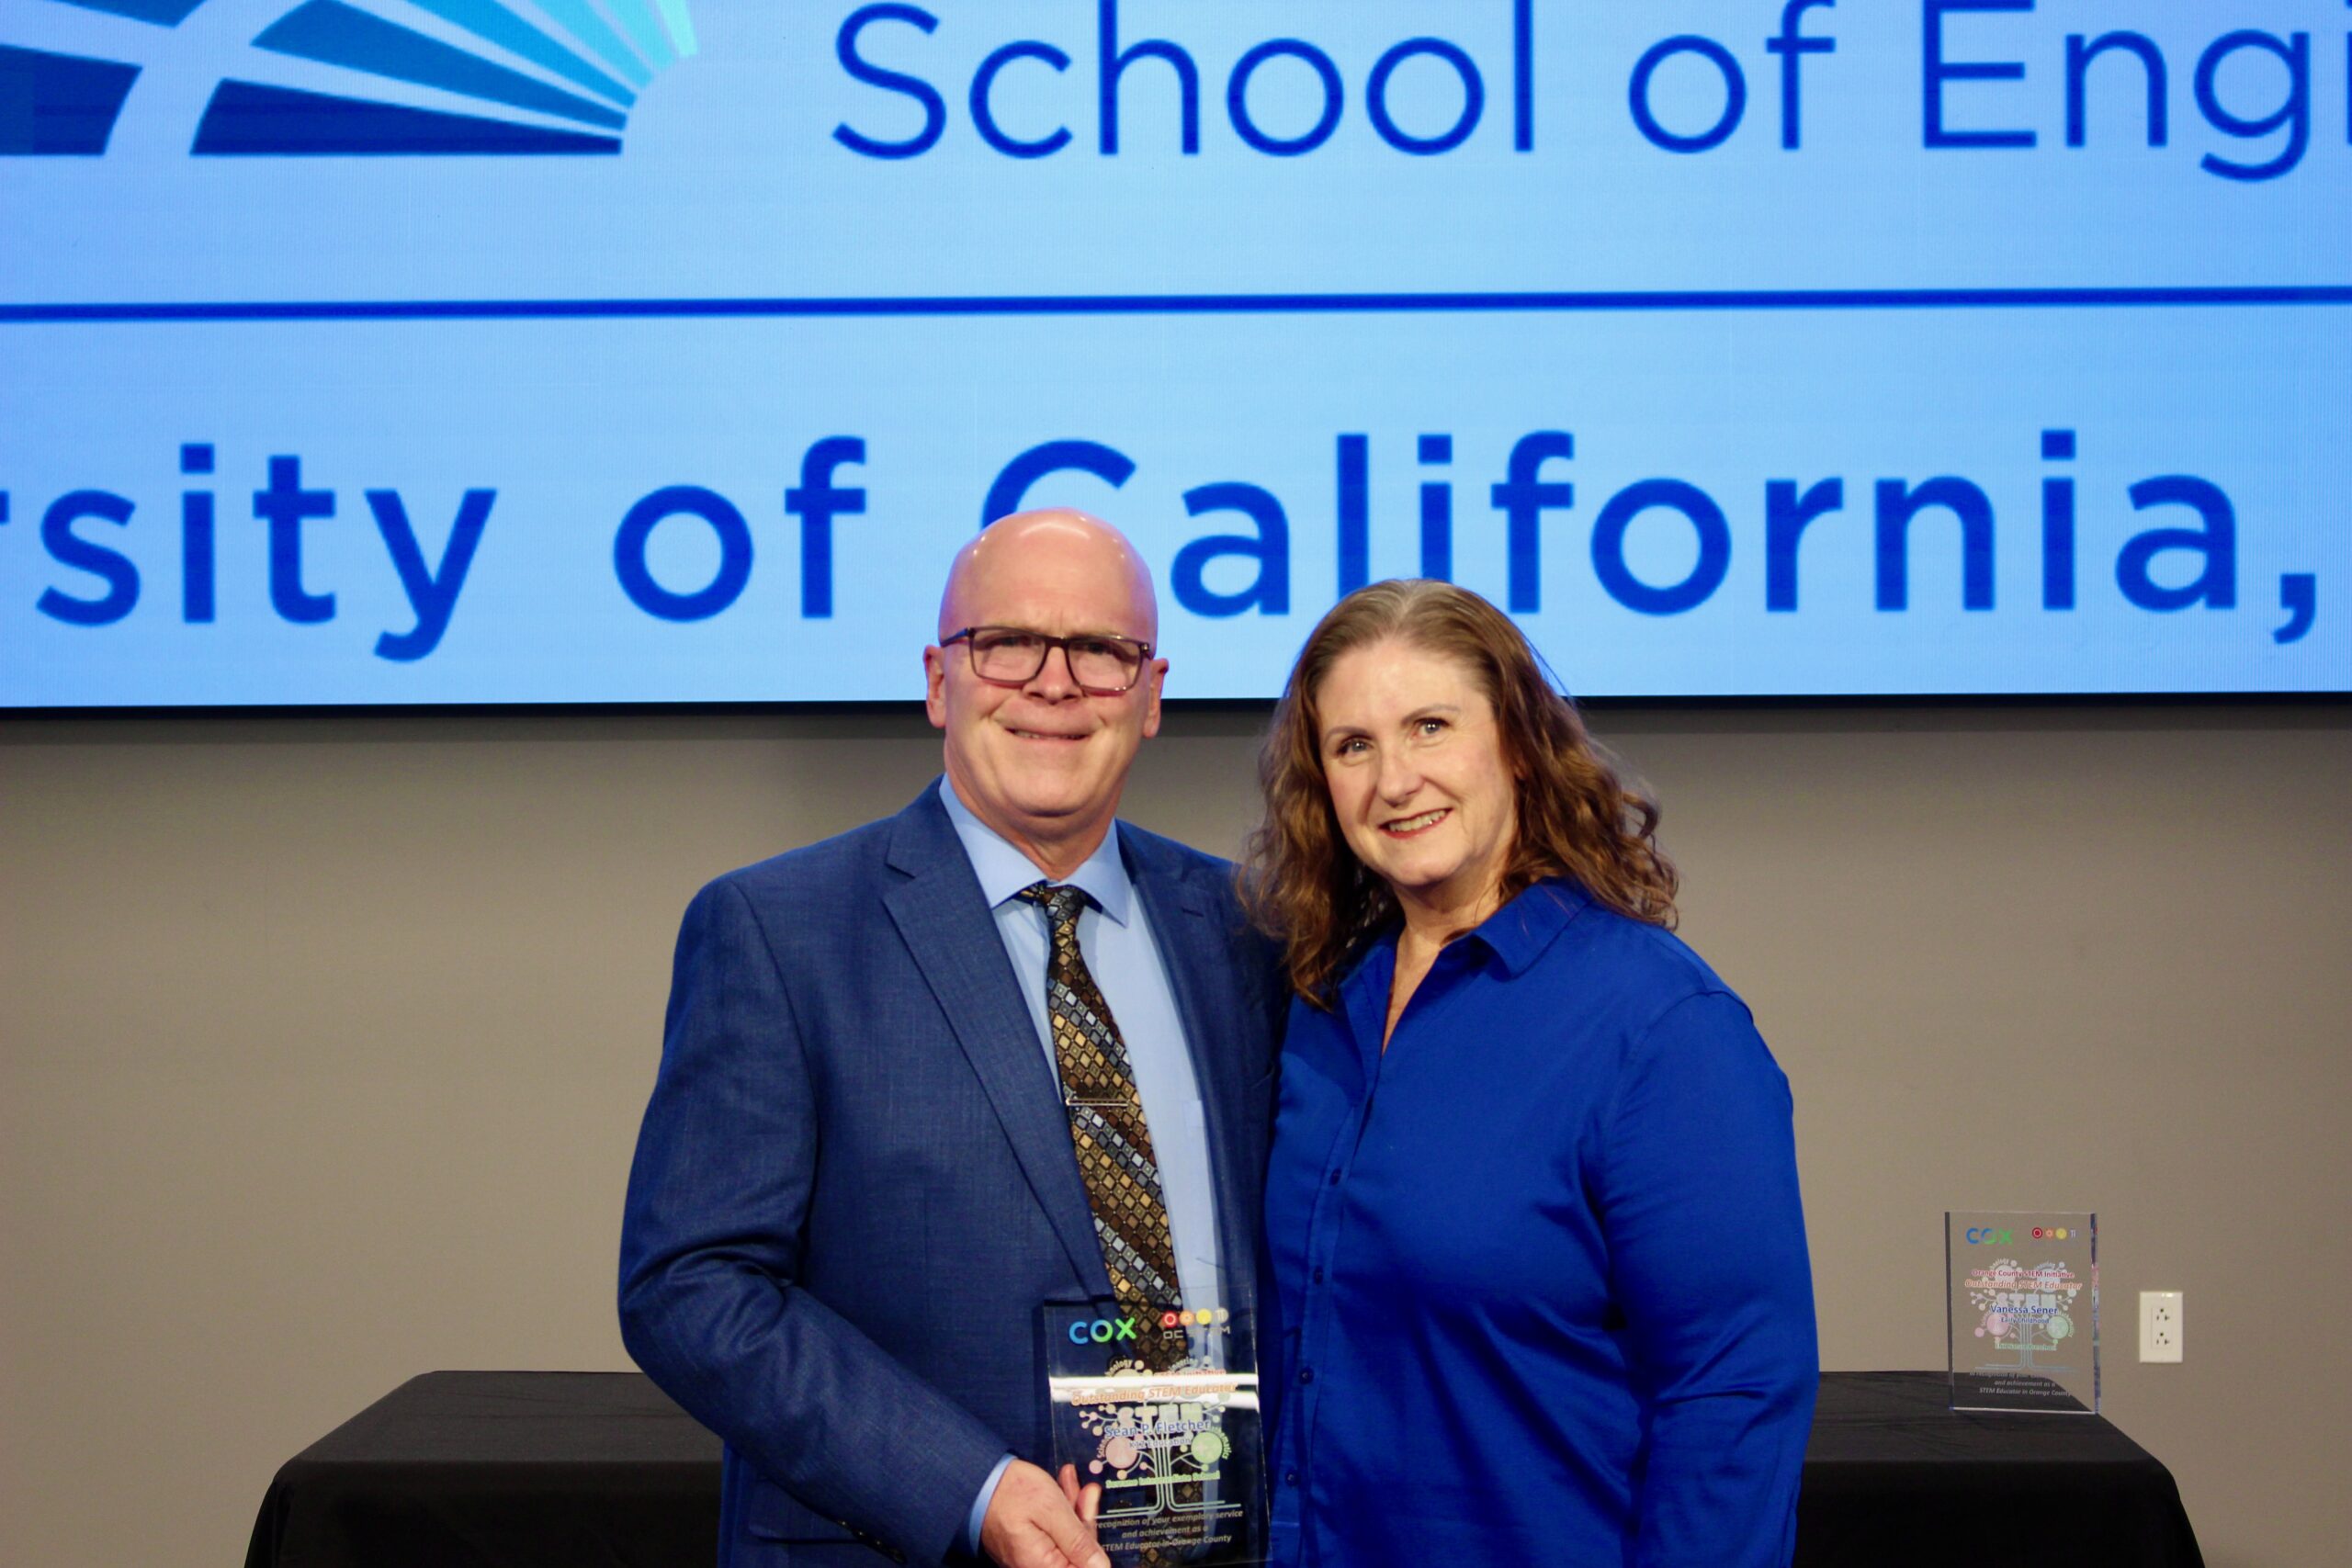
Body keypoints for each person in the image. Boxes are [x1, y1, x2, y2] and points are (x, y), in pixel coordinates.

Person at [620, 510, 1286, 1568]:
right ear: (940, 681)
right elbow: (691, 1289)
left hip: (1215, 1540)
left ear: (1152, 694)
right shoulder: (779, 931)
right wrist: (969, 1490)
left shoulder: (1249, 931)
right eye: (1007, 643)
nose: (1054, 684)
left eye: (1101, 652)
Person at [1247, 580, 1818, 1568]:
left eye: (1430, 726)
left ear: (1513, 739)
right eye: (1352, 746)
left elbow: (1731, 1397)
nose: (1393, 780)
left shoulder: (1659, 1028)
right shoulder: (1320, 1005)